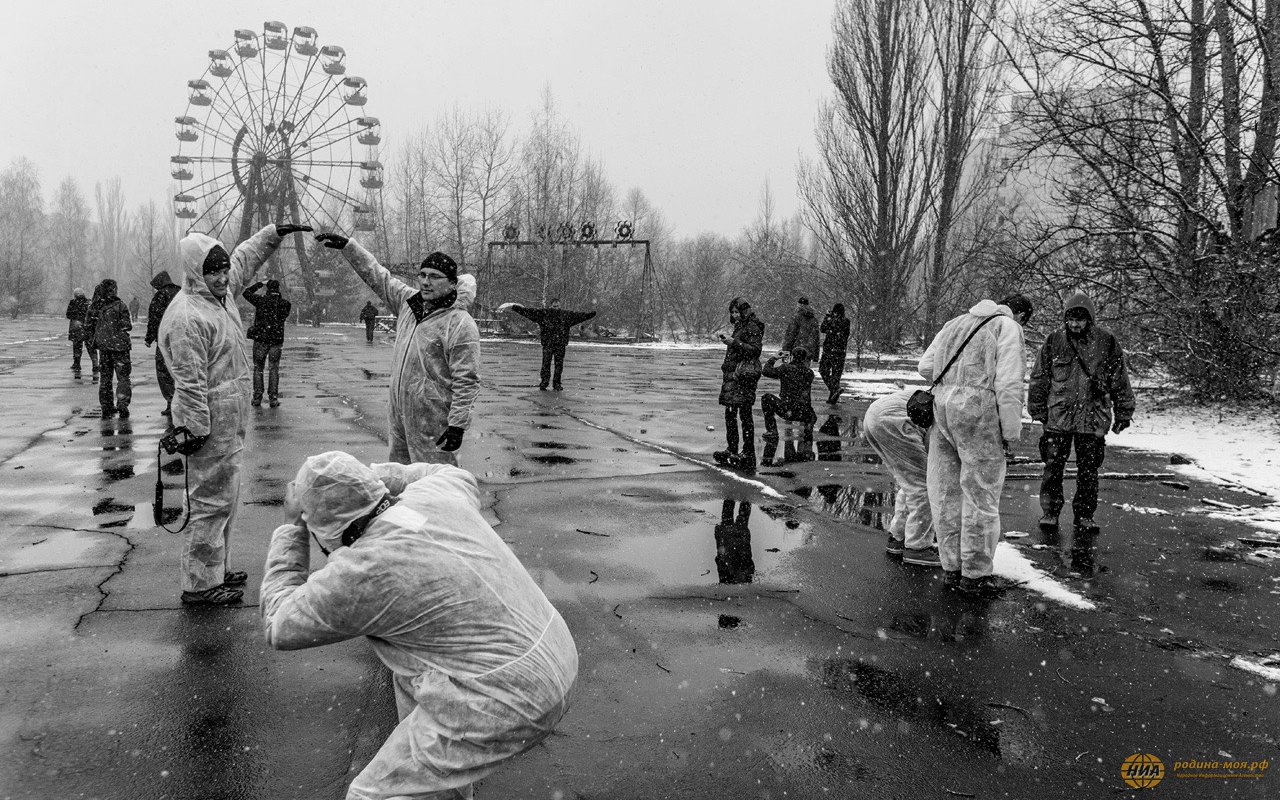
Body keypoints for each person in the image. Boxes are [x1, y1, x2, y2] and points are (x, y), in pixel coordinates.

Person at [261, 452, 578, 799]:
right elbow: (445, 470)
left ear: (323, 527)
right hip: (553, 651)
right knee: (412, 685)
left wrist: (291, 528)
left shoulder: (360, 571)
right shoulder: (434, 495)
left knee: (375, 794)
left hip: (507, 698)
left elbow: (279, 624)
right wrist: (371, 475)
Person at [159, 222, 312, 606]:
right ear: (196, 271)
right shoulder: (187, 317)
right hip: (207, 424)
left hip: (228, 421)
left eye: (224, 269)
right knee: (209, 503)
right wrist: (194, 427)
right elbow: (189, 382)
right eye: (214, 271)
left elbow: (245, 256)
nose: (223, 276)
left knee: (225, 498)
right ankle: (199, 584)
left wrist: (274, 233)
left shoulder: (220, 299)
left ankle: (217, 569)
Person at [316, 232, 480, 466]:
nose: (425, 281)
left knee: (435, 486)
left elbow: (467, 379)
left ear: (452, 283)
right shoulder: (409, 303)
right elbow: (378, 276)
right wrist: (350, 248)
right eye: (422, 275)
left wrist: (457, 425)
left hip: (433, 420)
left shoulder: (460, 323)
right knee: (400, 478)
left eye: (434, 277)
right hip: (399, 415)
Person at [919, 294, 1032, 597]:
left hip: (942, 408)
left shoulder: (955, 323)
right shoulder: (1007, 327)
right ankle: (976, 574)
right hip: (979, 412)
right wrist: (1011, 433)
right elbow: (1009, 385)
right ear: (1018, 314)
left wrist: (953, 380)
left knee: (946, 491)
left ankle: (951, 568)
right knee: (980, 493)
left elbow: (925, 366)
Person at [1028, 290, 1135, 534]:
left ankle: (1085, 515)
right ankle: (1051, 512)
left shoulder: (1106, 342)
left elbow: (1120, 380)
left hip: (1093, 418)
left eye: (1080, 319)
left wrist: (1124, 413)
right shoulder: (1054, 341)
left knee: (1089, 471)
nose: (1075, 324)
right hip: (1058, 417)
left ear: (1090, 319)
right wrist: (1036, 409)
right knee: (1053, 467)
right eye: (1071, 319)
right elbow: (1039, 377)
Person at [863, 388, 937, 566]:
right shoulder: (954, 401)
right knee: (925, 484)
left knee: (911, 482)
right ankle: (917, 548)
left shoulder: (943, 391)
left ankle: (899, 537)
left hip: (876, 415)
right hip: (893, 420)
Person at [714, 297, 764, 471]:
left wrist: (734, 342)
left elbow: (755, 350)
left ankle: (748, 452)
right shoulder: (741, 326)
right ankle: (732, 449)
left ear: (743, 311)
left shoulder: (752, 327)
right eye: (732, 312)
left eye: (737, 312)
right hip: (734, 376)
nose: (734, 315)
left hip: (743, 376)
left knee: (744, 414)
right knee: (730, 413)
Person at [507, 299, 597, 390]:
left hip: (560, 344)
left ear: (560, 306)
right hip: (548, 344)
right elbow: (529, 312)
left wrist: (590, 315)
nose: (556, 308)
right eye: (554, 306)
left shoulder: (566, 315)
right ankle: (544, 382)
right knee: (546, 364)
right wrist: (517, 308)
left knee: (559, 365)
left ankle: (556, 383)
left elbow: (579, 316)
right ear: (551, 306)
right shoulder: (544, 314)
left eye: (557, 306)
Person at [242, 278, 293, 407]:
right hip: (276, 340)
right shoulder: (285, 304)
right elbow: (282, 316)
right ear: (278, 289)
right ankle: (273, 398)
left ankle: (257, 397)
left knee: (258, 368)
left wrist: (259, 284)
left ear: (267, 289)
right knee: (274, 369)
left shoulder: (260, 301)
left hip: (261, 339)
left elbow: (246, 293)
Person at [92, 278, 133, 419]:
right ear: (114, 289)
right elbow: (127, 325)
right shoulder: (120, 306)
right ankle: (122, 403)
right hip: (120, 347)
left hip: (104, 348)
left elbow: (89, 323)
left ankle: (106, 405)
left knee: (105, 378)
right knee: (123, 377)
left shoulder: (98, 307)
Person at [760, 347, 818, 441]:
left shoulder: (786, 368)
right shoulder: (809, 372)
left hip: (788, 409)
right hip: (805, 412)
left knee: (766, 398)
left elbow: (766, 371)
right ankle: (808, 426)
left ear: (792, 357)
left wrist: (774, 358)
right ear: (804, 359)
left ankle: (772, 430)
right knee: (809, 413)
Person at [144, 271, 182, 416]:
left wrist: (149, 338)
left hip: (165, 339)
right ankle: (185, 401)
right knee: (182, 370)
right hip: (182, 337)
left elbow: (154, 318)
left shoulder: (160, 296)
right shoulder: (181, 293)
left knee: (164, 370)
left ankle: (171, 401)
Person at [819, 303, 850, 404]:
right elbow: (845, 335)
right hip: (840, 352)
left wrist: (828, 316)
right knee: (836, 375)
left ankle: (834, 389)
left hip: (829, 350)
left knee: (823, 370)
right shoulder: (846, 321)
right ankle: (833, 396)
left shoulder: (831, 320)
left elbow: (822, 329)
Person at [82, 283, 107, 383]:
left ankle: (95, 362)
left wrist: (87, 327)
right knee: (103, 347)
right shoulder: (109, 304)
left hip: (93, 329)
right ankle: (101, 362)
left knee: (91, 346)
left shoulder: (92, 305)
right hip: (104, 330)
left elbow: (88, 321)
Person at [782, 296, 820, 361]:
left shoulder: (796, 318)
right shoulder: (814, 319)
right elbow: (816, 338)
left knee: (795, 370)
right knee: (805, 370)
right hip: (808, 353)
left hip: (797, 352)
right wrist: (816, 355)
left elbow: (791, 335)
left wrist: (785, 353)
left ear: (799, 305)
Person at [65, 288, 91, 378]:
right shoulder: (88, 303)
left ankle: (77, 363)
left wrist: (76, 318)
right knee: (90, 347)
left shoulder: (73, 303)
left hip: (76, 327)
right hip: (87, 327)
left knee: (77, 346)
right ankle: (95, 364)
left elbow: (68, 314)